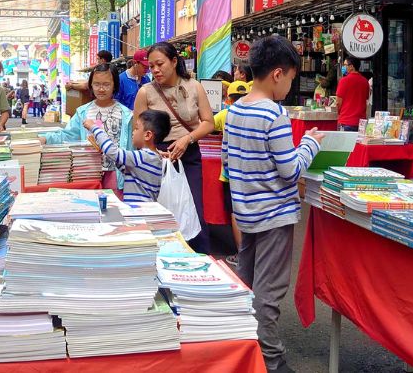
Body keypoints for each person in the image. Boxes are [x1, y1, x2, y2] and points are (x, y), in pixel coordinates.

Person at [222, 35, 323, 373]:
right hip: (275, 216)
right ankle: (272, 360)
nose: (290, 88)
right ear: (278, 74)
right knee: (268, 292)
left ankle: (242, 349)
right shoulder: (274, 115)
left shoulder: (234, 111)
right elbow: (290, 170)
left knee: (245, 283)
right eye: (292, 79)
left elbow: (227, 162)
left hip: (247, 213)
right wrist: (309, 143)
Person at [133, 42, 215, 253]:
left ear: (174, 61)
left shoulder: (194, 86)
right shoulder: (145, 92)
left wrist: (187, 139)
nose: (155, 70)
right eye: (151, 66)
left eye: (159, 64)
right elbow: (138, 132)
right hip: (157, 159)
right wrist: (153, 151)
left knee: (193, 208)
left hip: (189, 155)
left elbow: (208, 122)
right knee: (161, 211)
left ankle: (198, 260)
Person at [39, 64, 133, 195]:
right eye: (96, 84)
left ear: (115, 85)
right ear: (90, 86)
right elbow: (68, 135)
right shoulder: (83, 112)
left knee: (114, 208)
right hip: (88, 171)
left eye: (106, 84)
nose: (101, 89)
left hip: (116, 175)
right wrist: (45, 138)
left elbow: (132, 147)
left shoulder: (126, 114)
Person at [84, 109, 170, 203]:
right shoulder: (154, 157)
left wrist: (94, 128)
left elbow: (113, 152)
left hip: (140, 211)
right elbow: (125, 168)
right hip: (146, 209)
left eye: (137, 128)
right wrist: (106, 152)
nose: (133, 132)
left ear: (148, 135)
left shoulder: (143, 157)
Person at [212, 80, 250, 266]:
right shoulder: (255, 113)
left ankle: (242, 253)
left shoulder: (226, 113)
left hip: (229, 173)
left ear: (229, 98)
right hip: (251, 172)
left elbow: (208, 126)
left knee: (235, 212)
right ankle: (252, 252)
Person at [336, 56, 370, 131]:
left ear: (351, 66)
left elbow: (338, 102)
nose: (343, 67)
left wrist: (339, 112)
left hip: (346, 121)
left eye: (345, 65)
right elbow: (366, 100)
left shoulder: (344, 81)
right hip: (361, 122)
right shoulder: (365, 81)